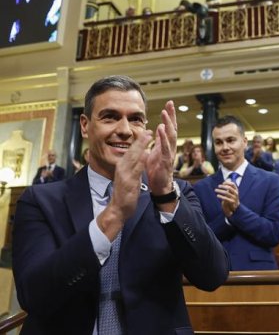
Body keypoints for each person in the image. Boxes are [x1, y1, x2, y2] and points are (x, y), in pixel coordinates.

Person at [13, 75, 229, 334]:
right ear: (85, 125)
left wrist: (165, 195)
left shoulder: (175, 193)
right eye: (110, 116)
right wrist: (112, 216)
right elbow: (34, 296)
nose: (125, 129)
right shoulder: (40, 201)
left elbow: (213, 275)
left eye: (136, 118)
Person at [193, 116, 279, 270]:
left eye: (231, 140)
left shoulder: (271, 181)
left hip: (258, 272)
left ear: (244, 142)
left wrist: (237, 211)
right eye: (219, 142)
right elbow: (200, 238)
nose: (225, 147)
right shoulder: (201, 187)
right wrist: (227, 220)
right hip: (214, 272)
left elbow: (273, 234)